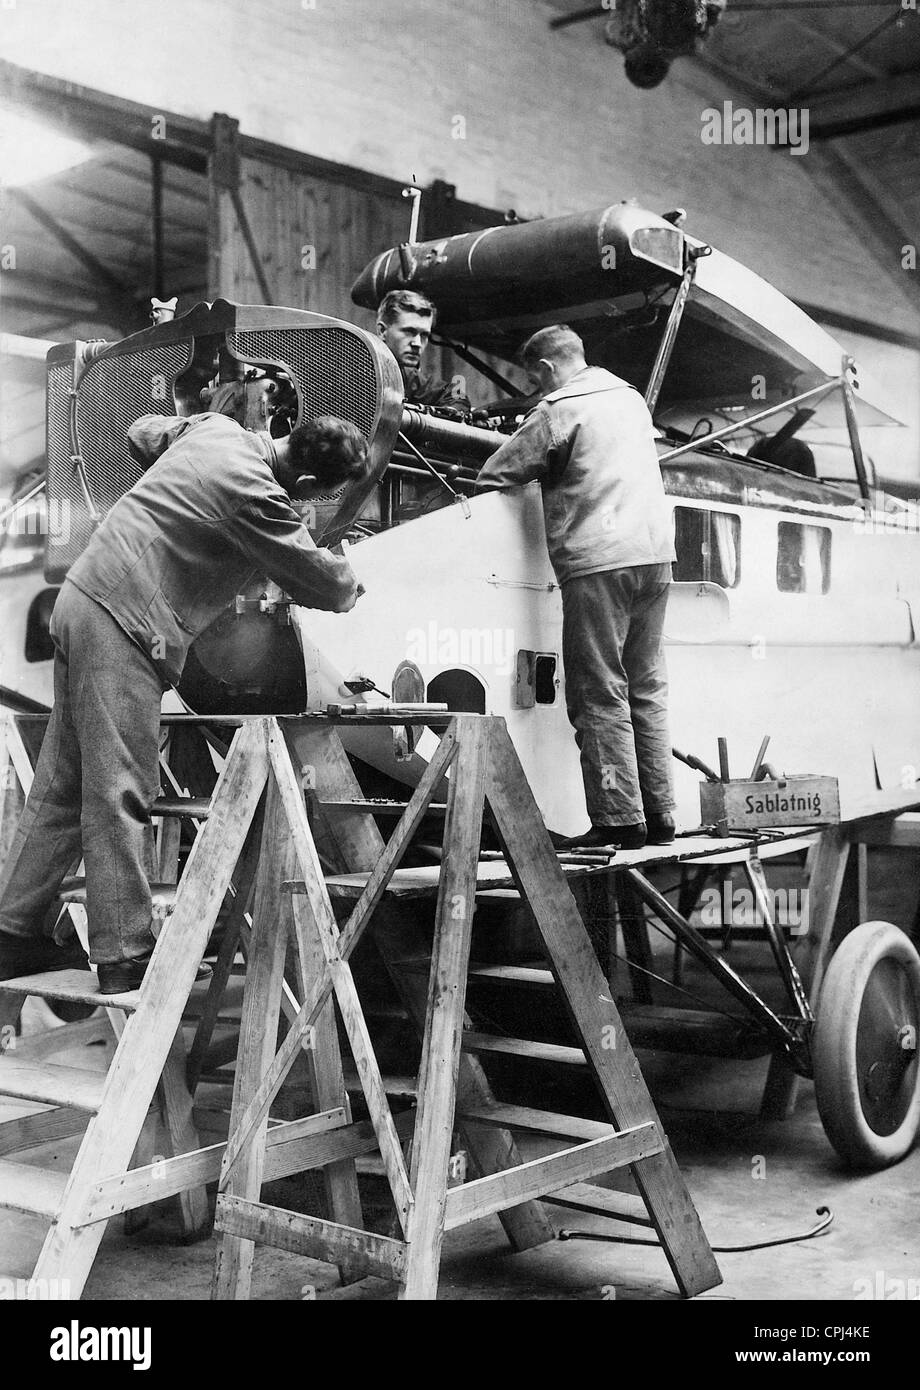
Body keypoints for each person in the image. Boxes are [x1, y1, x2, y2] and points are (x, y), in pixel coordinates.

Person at [0, 406, 367, 994]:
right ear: (302, 484)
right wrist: (350, 568)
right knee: (122, 786)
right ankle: (124, 953)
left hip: (84, 598)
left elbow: (142, 432)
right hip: (123, 620)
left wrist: (179, 497)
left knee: (65, 782)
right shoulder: (258, 496)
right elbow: (328, 585)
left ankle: (12, 934)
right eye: (316, 499)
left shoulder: (217, 430)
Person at [476, 325, 676, 850]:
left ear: (543, 370)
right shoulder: (631, 400)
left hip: (598, 565)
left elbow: (493, 475)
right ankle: (659, 814)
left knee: (597, 689)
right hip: (656, 560)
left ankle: (617, 819)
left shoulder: (557, 409)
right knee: (646, 689)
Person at [376, 289, 470, 411]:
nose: (417, 343)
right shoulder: (356, 366)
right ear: (382, 331)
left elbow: (456, 395)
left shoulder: (409, 377)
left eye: (424, 335)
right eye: (409, 332)